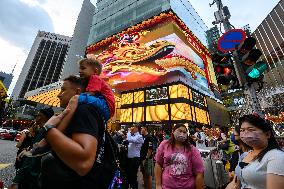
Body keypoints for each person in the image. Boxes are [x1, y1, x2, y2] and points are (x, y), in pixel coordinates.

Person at [39, 75, 111, 189]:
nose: (59, 94)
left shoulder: (83, 110)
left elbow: (84, 162)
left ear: (77, 92)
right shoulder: (78, 112)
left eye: (63, 90)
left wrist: (48, 128)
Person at [226, 114, 284, 189]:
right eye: (242, 130)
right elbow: (236, 181)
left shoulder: (276, 157)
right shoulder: (245, 155)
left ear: (267, 134)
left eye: (251, 129)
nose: (245, 133)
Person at [10, 108, 54, 189]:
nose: (36, 118)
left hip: (31, 177)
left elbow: (31, 158)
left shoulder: (43, 132)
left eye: (37, 115)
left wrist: (17, 179)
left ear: (41, 117)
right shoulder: (46, 131)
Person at [155, 123, 205, 189]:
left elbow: (199, 173)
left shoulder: (192, 149)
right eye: (180, 131)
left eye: (184, 132)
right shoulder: (164, 144)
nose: (182, 134)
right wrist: (158, 185)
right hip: (167, 186)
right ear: (173, 131)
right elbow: (158, 164)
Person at [125, 123, 144, 189]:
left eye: (133, 126)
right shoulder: (133, 136)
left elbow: (129, 140)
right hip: (130, 158)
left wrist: (129, 131)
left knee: (133, 176)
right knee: (129, 176)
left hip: (135, 159)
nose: (132, 127)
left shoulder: (139, 137)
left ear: (136, 128)